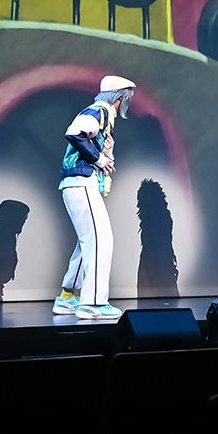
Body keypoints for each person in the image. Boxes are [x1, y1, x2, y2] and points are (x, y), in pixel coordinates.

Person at [53, 76, 135, 320]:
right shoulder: (100, 110)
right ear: (118, 98)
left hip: (78, 183)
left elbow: (89, 145)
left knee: (88, 241)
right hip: (80, 183)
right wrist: (99, 159)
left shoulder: (103, 116)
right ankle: (93, 303)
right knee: (101, 240)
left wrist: (106, 153)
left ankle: (68, 296)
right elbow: (74, 133)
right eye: (125, 99)